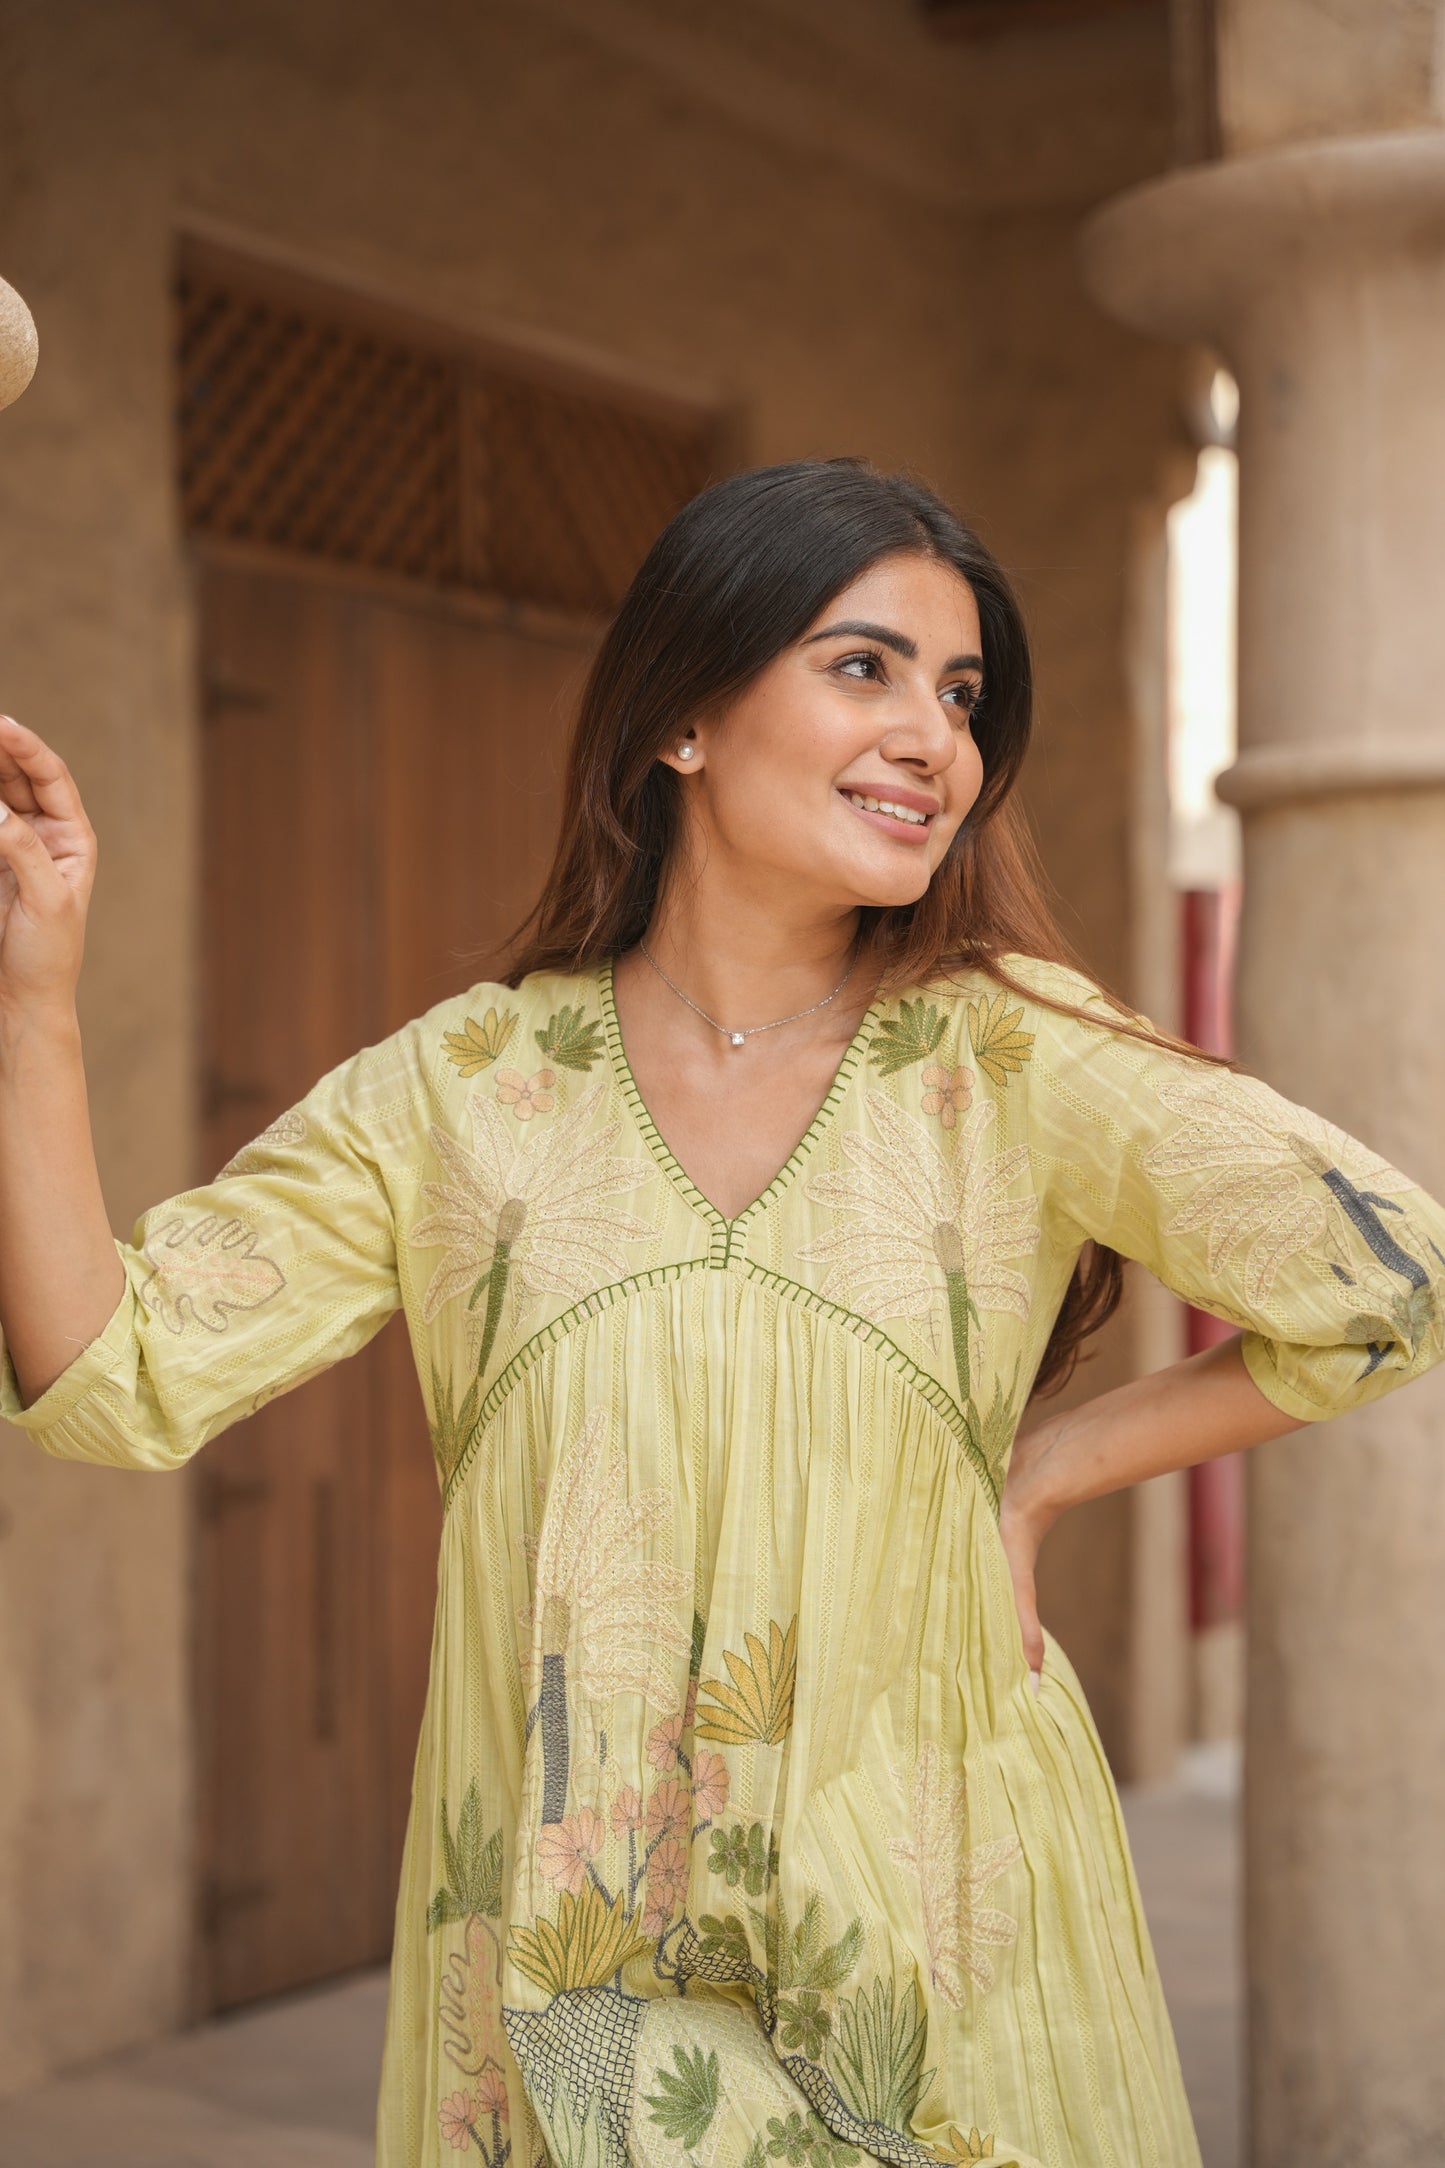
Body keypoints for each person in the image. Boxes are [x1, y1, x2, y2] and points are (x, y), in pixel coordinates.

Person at [3, 458, 1443, 2168]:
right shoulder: (466, 1089)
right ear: (681, 714)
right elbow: (116, 1369)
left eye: (962, 694)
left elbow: (1388, 1280)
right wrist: (37, 1000)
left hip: (934, 1952)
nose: (935, 737)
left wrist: (1047, 1467)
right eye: (865, 667)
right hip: (572, 1984)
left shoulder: (1008, 1054)